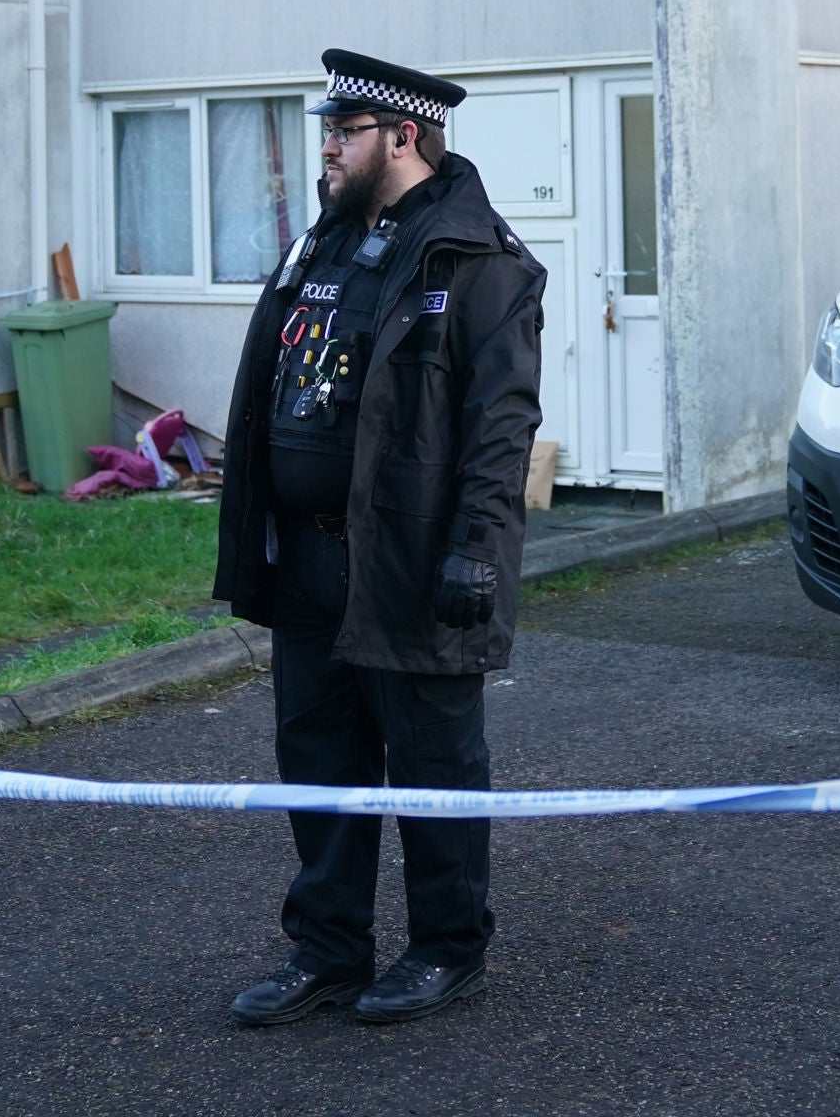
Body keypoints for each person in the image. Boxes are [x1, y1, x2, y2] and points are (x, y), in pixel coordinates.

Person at [216, 50, 547, 1028]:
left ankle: (449, 946)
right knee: (319, 755)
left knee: (436, 760)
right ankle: (327, 946)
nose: (325, 145)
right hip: (309, 552)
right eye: (328, 127)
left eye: (344, 129)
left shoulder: (475, 256)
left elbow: (501, 421)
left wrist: (476, 547)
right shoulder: (318, 243)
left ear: (402, 135)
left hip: (412, 554)